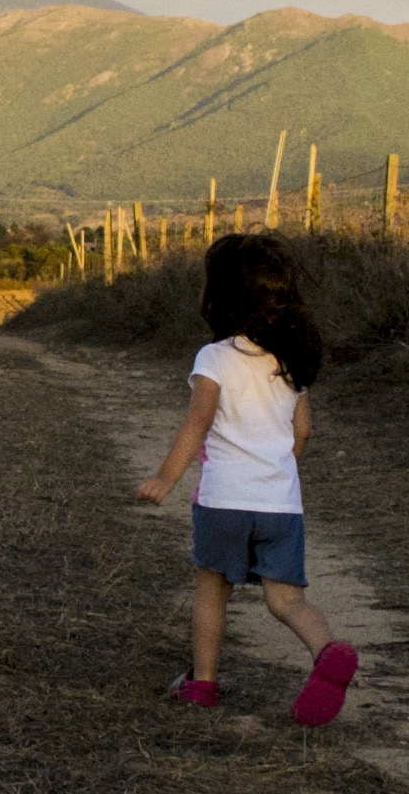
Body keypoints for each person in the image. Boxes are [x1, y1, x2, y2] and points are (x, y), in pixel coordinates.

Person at [131, 233, 361, 724]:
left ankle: (203, 685)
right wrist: (276, 468)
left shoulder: (214, 358)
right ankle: (328, 651)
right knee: (288, 600)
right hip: (280, 504)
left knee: (212, 589)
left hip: (225, 502)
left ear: (220, 298)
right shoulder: (291, 361)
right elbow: (304, 431)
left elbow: (197, 424)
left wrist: (164, 479)